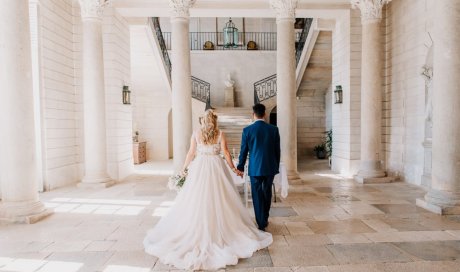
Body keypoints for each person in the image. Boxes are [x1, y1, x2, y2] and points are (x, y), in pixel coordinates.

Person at [143, 110, 272, 271]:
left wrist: (183, 169)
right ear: (215, 121)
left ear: (203, 120)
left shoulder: (196, 134)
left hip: (200, 168)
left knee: (197, 198)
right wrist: (233, 169)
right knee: (221, 198)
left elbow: (191, 153)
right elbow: (225, 153)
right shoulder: (220, 133)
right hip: (216, 167)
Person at [237, 104, 281, 231]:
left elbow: (243, 152)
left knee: (256, 194)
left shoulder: (247, 130)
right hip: (269, 167)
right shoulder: (273, 129)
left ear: (253, 114)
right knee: (267, 193)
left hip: (255, 168)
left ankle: (260, 221)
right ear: (265, 114)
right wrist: (275, 166)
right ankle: (265, 218)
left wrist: (240, 167)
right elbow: (277, 151)